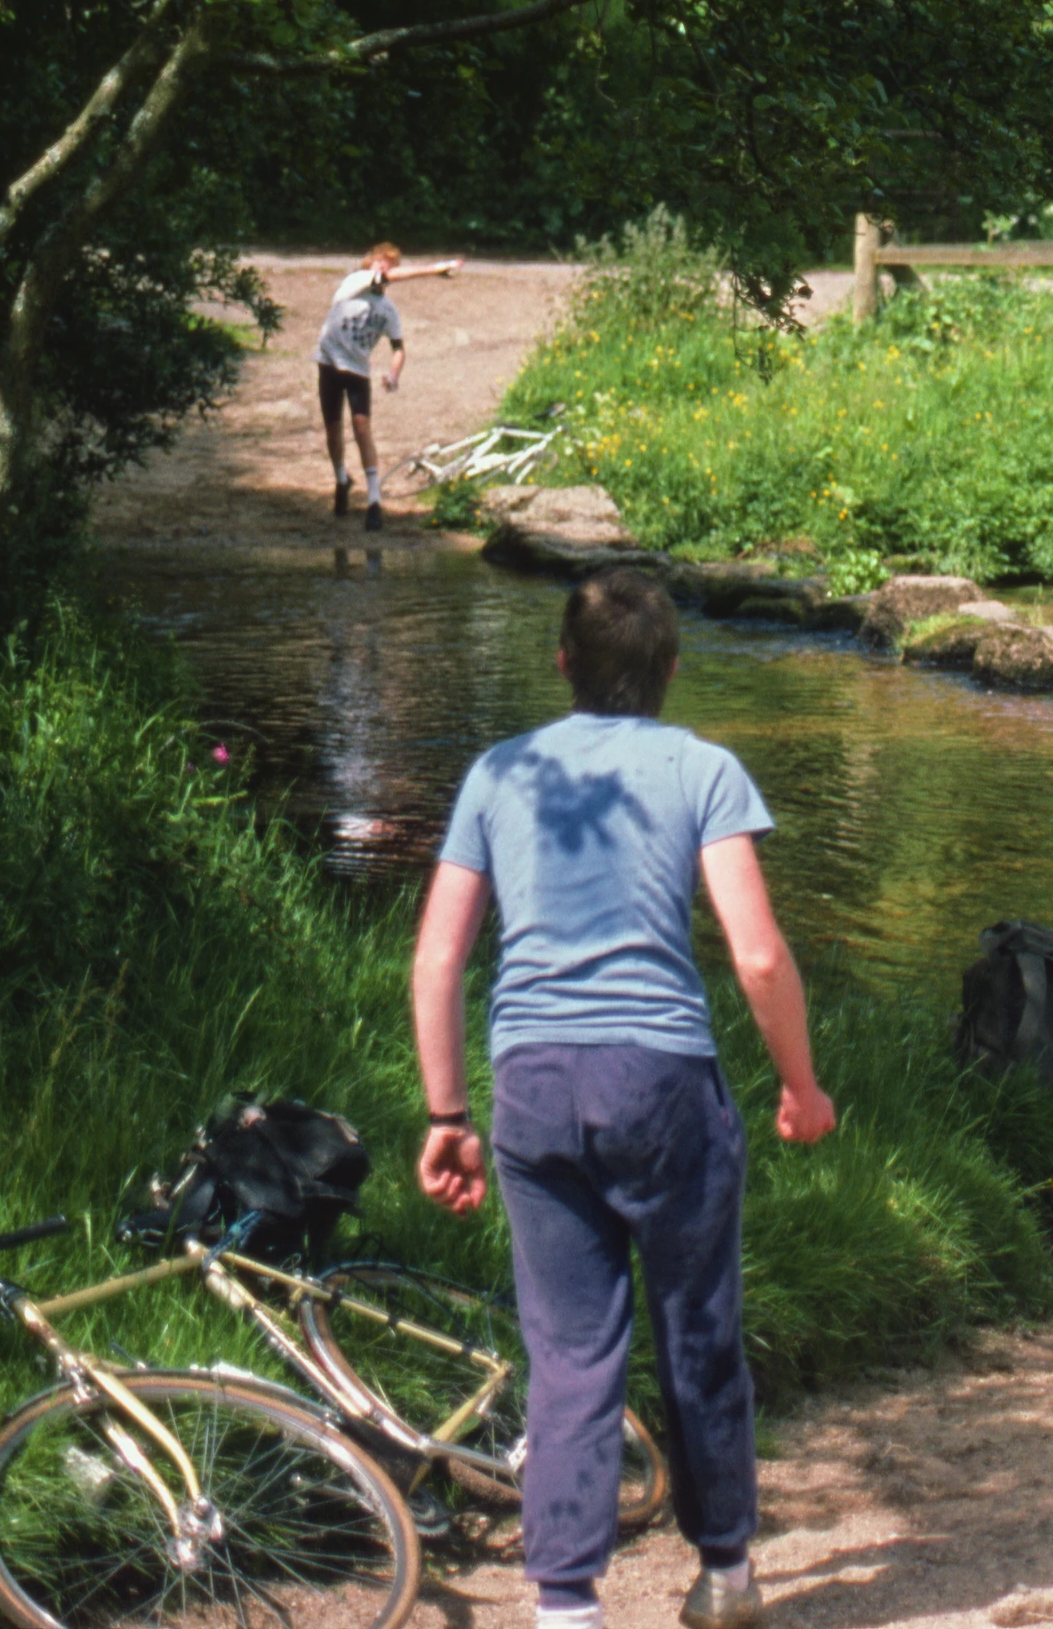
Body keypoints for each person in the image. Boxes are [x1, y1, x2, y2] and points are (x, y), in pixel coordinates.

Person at [410, 568, 835, 1629]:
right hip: (662, 1086)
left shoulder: (499, 773)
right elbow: (756, 953)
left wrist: (447, 1116)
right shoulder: (703, 767)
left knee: (567, 1354)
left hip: (533, 1088)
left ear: (563, 664)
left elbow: (436, 959)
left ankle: (564, 1606)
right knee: (697, 1326)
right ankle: (726, 1573)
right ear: (671, 671)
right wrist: (800, 1085)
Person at [318, 242, 461, 531]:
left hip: (358, 370)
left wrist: (394, 374)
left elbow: (399, 348)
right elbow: (386, 278)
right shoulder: (354, 283)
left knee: (361, 429)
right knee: (333, 430)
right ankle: (341, 480)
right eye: (379, 263)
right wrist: (435, 269)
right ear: (369, 265)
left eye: (389, 264)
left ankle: (373, 501)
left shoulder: (388, 310)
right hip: (329, 363)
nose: (383, 268)